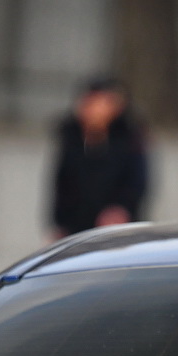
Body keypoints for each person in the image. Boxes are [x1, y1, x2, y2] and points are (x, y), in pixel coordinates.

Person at [49, 76, 148, 238]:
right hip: (77, 226)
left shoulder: (129, 137)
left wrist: (121, 209)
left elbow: (137, 181)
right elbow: (62, 183)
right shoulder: (71, 137)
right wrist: (60, 223)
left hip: (116, 226)